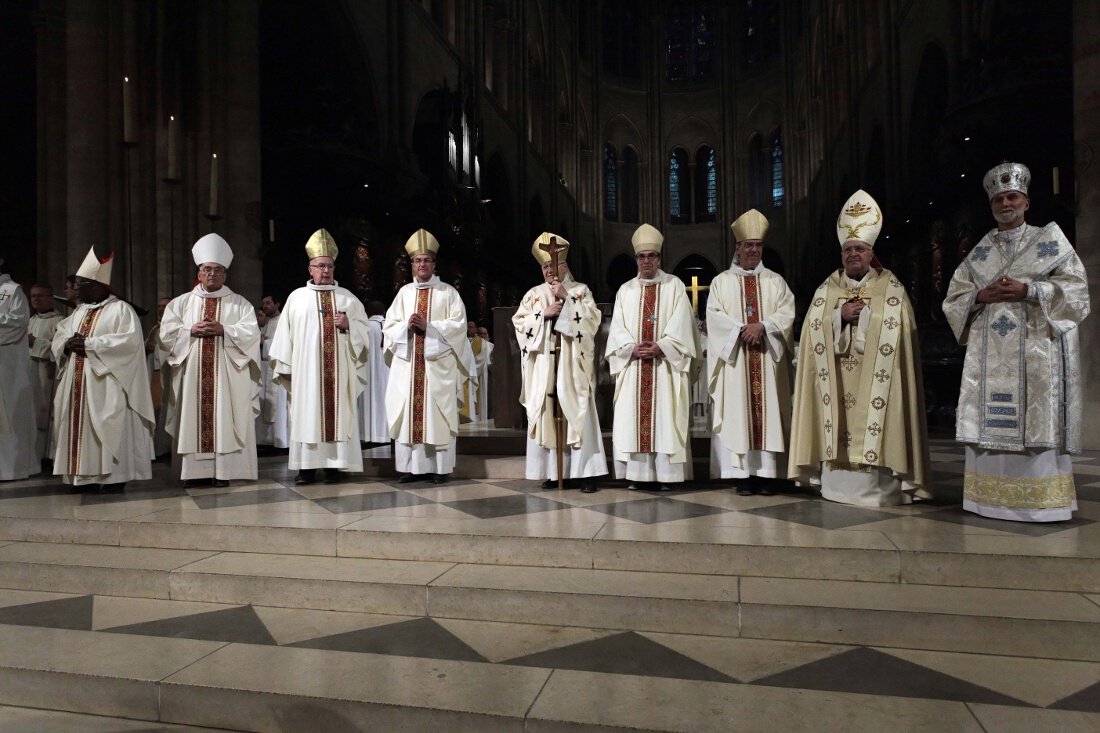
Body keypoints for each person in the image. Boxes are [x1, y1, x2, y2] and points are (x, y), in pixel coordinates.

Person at [943, 162, 1090, 522]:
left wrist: (1030, 290)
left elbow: (1078, 292)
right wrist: (981, 296)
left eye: (1012, 197)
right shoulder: (979, 253)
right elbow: (953, 300)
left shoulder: (1050, 243)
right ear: (991, 205)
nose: (1006, 204)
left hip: (1037, 352)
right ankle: (988, 501)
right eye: (999, 199)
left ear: (1026, 202)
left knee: (1034, 420)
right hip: (989, 357)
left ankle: (1041, 505)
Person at [788, 190, 932, 506]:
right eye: (848, 249)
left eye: (860, 249)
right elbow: (811, 330)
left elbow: (902, 330)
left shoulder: (891, 288)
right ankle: (836, 485)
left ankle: (879, 486)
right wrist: (839, 316)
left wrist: (867, 317)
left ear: (871, 253)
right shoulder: (826, 289)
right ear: (841, 254)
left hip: (877, 381)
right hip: (836, 381)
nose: (853, 254)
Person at [269, 229, 371, 485]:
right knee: (307, 416)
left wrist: (350, 325)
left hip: (339, 374)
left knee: (337, 416)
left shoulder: (349, 299)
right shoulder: (296, 298)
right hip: (307, 374)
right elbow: (284, 337)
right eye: (320, 266)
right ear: (310, 268)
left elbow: (366, 334)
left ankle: (335, 468)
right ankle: (306, 469)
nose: (325, 271)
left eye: (329, 266)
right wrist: (287, 366)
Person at [159, 234, 262, 487]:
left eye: (218, 270)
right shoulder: (180, 303)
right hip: (192, 374)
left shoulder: (240, 304)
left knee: (226, 417)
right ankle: (194, 474)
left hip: (228, 376)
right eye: (207, 269)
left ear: (225, 275)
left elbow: (251, 335)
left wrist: (224, 330)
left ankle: (224, 472)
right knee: (193, 417)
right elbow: (165, 336)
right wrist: (190, 331)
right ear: (199, 273)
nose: (213, 274)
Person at [707, 209, 795, 495]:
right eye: (748, 245)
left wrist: (763, 326)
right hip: (736, 362)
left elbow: (787, 313)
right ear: (738, 248)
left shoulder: (776, 282)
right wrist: (741, 330)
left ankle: (767, 475)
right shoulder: (722, 282)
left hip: (766, 359)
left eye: (758, 245)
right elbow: (714, 316)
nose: (753, 250)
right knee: (738, 413)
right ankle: (742, 476)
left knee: (768, 413)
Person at [51, 247, 154, 491]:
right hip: (76, 382)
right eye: (75, 284)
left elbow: (128, 344)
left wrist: (89, 344)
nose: (75, 289)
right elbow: (61, 335)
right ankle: (83, 478)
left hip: (107, 382)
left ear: (97, 284)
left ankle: (113, 479)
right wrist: (66, 344)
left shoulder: (121, 310)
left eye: (80, 284)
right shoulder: (79, 311)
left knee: (108, 426)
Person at [605, 223, 699, 490]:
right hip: (634, 365)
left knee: (666, 417)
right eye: (642, 256)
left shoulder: (675, 286)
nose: (646, 261)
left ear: (659, 258)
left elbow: (682, 324)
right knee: (633, 419)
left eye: (652, 256)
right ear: (636, 259)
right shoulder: (625, 291)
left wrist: (663, 346)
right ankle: (638, 475)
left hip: (665, 366)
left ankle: (666, 476)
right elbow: (618, 329)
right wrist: (630, 348)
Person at [514, 232, 607, 493]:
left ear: (565, 266)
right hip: (544, 364)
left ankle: (585, 473)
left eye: (555, 264)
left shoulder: (580, 290)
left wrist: (567, 299)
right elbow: (520, 325)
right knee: (546, 414)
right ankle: (554, 473)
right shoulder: (533, 295)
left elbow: (591, 322)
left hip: (571, 364)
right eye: (545, 266)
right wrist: (544, 314)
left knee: (578, 413)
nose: (550, 270)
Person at [383, 229, 472, 484]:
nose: (422, 264)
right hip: (409, 365)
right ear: (411, 265)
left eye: (426, 260)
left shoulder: (449, 293)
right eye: (417, 260)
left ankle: (439, 469)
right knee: (411, 415)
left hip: (437, 367)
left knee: (436, 417)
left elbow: (459, 326)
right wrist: (405, 328)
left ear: (434, 264)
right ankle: (413, 468)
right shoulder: (404, 294)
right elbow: (389, 327)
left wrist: (429, 328)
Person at [0, 253, 39, 480]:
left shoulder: (13, 291)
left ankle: (14, 469)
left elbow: (18, 324)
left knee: (12, 415)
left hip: (8, 367)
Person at [28, 284, 63, 466]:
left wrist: (35, 342)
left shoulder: (59, 321)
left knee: (47, 412)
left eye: (40, 296)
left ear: (51, 297)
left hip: (49, 372)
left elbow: (59, 348)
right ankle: (33, 454)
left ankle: (48, 456)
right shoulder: (30, 320)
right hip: (31, 372)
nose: (36, 299)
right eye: (33, 296)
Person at [256, 293, 289, 451]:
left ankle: (279, 439)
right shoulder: (267, 323)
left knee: (278, 404)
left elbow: (284, 344)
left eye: (268, 303)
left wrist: (265, 342)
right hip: (265, 368)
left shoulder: (283, 321)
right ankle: (266, 439)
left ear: (277, 304)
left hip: (278, 370)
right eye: (264, 303)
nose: (265, 306)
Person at [357, 300, 390, 445]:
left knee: (370, 402)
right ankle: (385, 435)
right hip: (387, 371)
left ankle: (369, 435)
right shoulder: (389, 326)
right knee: (385, 401)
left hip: (368, 370)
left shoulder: (366, 327)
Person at [145, 296, 173, 459]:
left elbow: (175, 348)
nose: (161, 309)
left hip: (167, 373)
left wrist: (156, 349)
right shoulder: (155, 328)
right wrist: (147, 347)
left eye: (165, 306)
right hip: (153, 373)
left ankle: (165, 448)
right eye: (160, 306)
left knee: (164, 409)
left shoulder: (176, 327)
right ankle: (156, 449)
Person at [473, 325, 493, 422]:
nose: (483, 336)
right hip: (478, 376)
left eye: (485, 333)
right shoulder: (475, 343)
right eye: (481, 334)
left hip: (489, 376)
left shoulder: (491, 346)